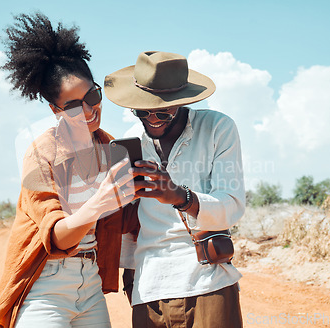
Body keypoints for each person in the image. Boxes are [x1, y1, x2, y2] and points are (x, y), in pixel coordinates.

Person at [0, 13, 139, 328]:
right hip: (46, 284)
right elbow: (57, 236)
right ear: (55, 111)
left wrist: (144, 190)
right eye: (73, 106)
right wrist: (102, 199)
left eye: (93, 96)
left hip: (91, 284)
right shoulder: (40, 154)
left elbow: (124, 222)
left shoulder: (112, 147)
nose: (88, 110)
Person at [104, 51, 245, 328]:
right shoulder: (130, 148)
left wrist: (180, 196)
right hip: (149, 287)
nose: (152, 119)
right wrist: (130, 274)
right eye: (142, 111)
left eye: (162, 111)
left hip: (208, 281)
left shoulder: (218, 128)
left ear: (181, 102)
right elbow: (131, 225)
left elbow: (232, 206)